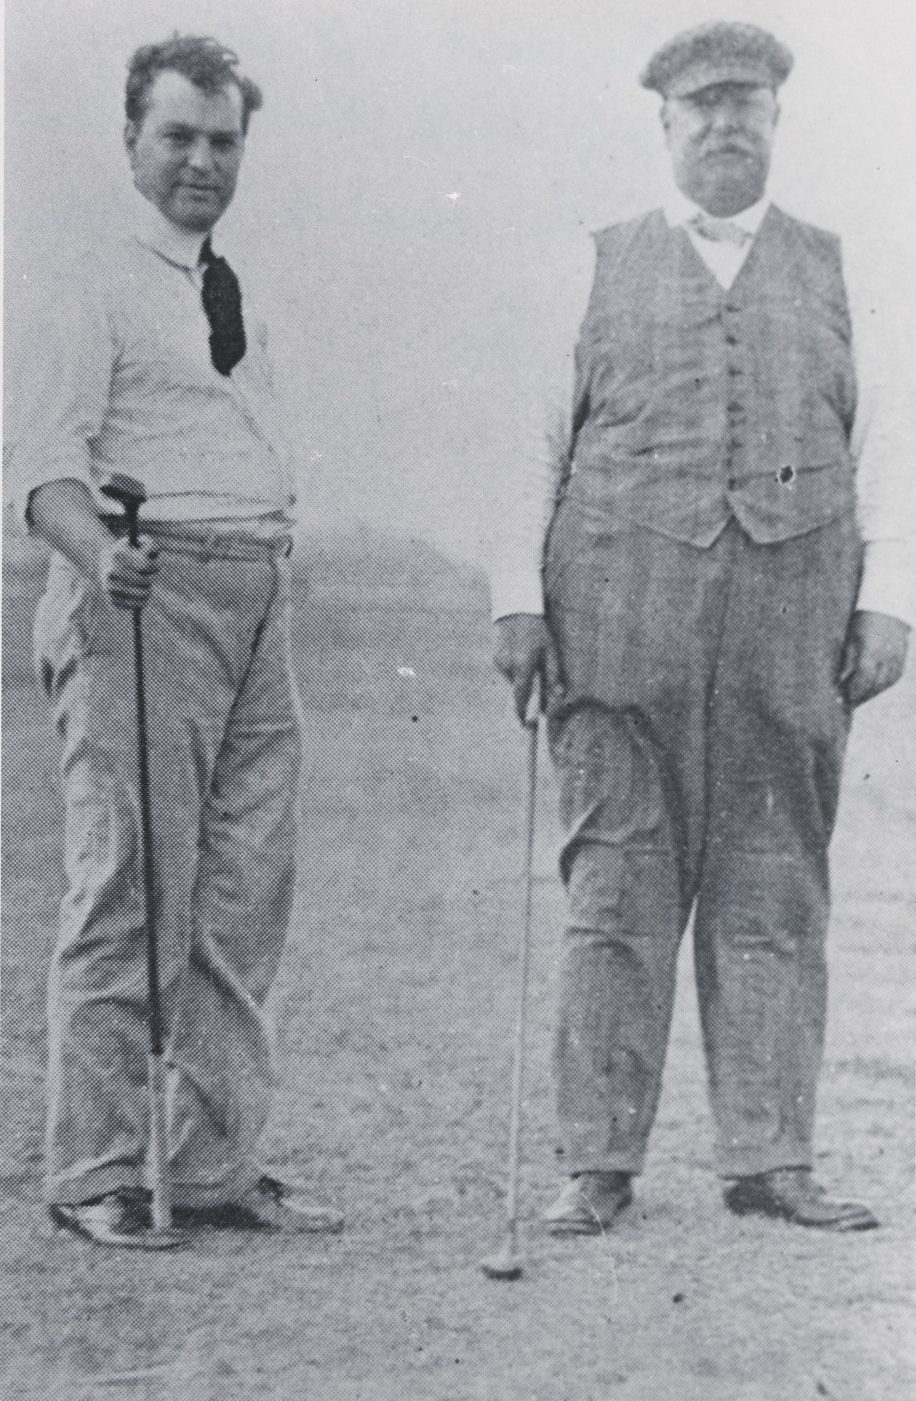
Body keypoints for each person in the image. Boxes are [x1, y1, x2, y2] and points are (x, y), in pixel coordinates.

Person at [491, 22, 913, 1234]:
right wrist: (516, 602)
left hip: (791, 632)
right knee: (615, 887)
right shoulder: (589, 261)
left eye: (748, 106)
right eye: (703, 106)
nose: (727, 124)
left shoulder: (847, 268)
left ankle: (769, 1159)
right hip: (618, 620)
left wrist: (888, 602)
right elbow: (528, 436)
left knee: (775, 887)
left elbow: (892, 443)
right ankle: (596, 1163)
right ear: (663, 125)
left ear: (777, 123)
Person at [13, 35, 343, 1249]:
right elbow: (42, 469)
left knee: (245, 892)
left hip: (260, 598)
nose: (202, 160)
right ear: (132, 145)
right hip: (142, 598)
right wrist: (105, 555)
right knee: (132, 887)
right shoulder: (88, 282)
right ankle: (96, 1169)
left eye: (223, 141)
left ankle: (212, 1165)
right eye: (179, 137)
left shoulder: (230, 289)